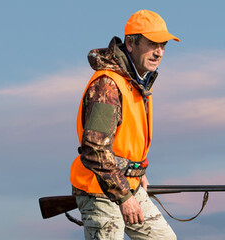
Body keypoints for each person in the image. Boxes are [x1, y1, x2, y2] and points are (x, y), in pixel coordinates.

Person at [69, 9, 179, 240]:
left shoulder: (136, 82)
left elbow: (125, 143)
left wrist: (137, 170)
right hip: (99, 190)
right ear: (130, 43)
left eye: (163, 45)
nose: (159, 52)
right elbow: (94, 150)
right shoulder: (108, 85)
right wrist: (125, 197)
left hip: (126, 184)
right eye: (152, 43)